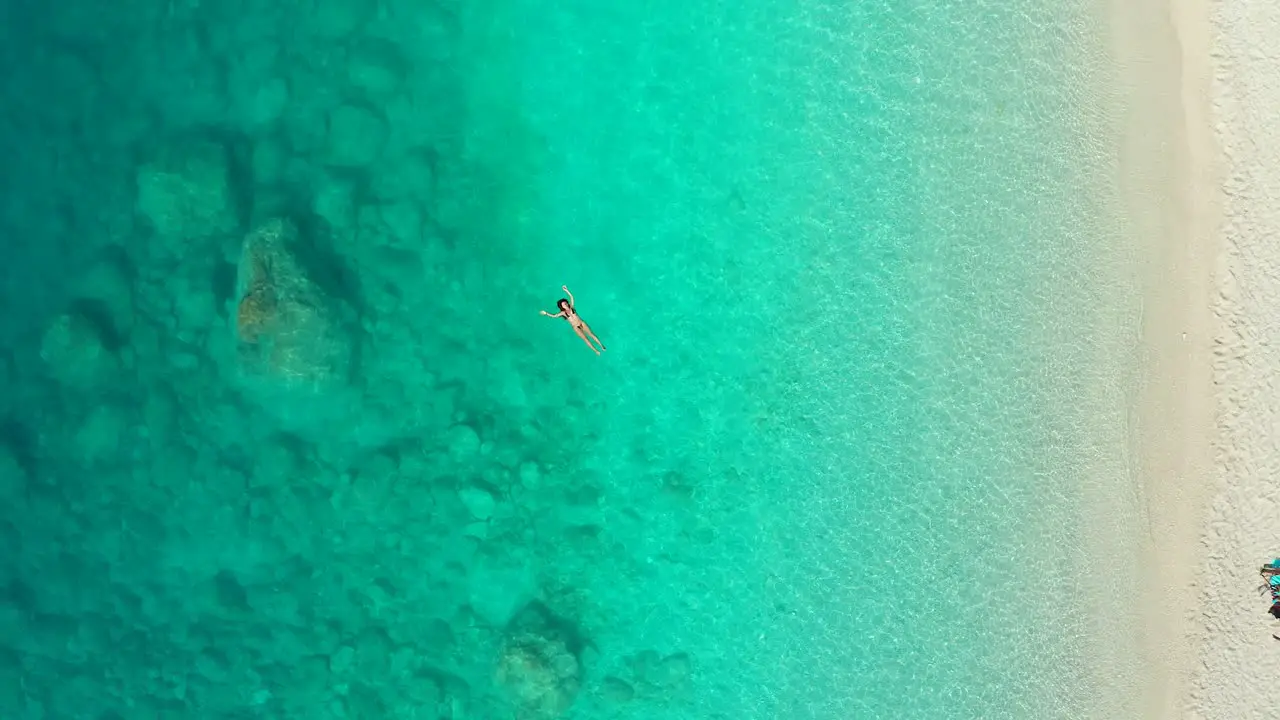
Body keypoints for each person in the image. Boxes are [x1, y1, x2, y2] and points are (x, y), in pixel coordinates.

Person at [540, 285, 606, 355]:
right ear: (562, 307)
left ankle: (601, 345)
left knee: (591, 334)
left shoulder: (572, 307)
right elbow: (554, 316)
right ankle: (596, 351)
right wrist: (546, 313)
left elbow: (572, 297)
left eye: (565, 303)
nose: (565, 305)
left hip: (581, 323)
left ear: (567, 303)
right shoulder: (563, 313)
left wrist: (566, 290)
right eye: (563, 305)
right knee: (585, 339)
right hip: (575, 327)